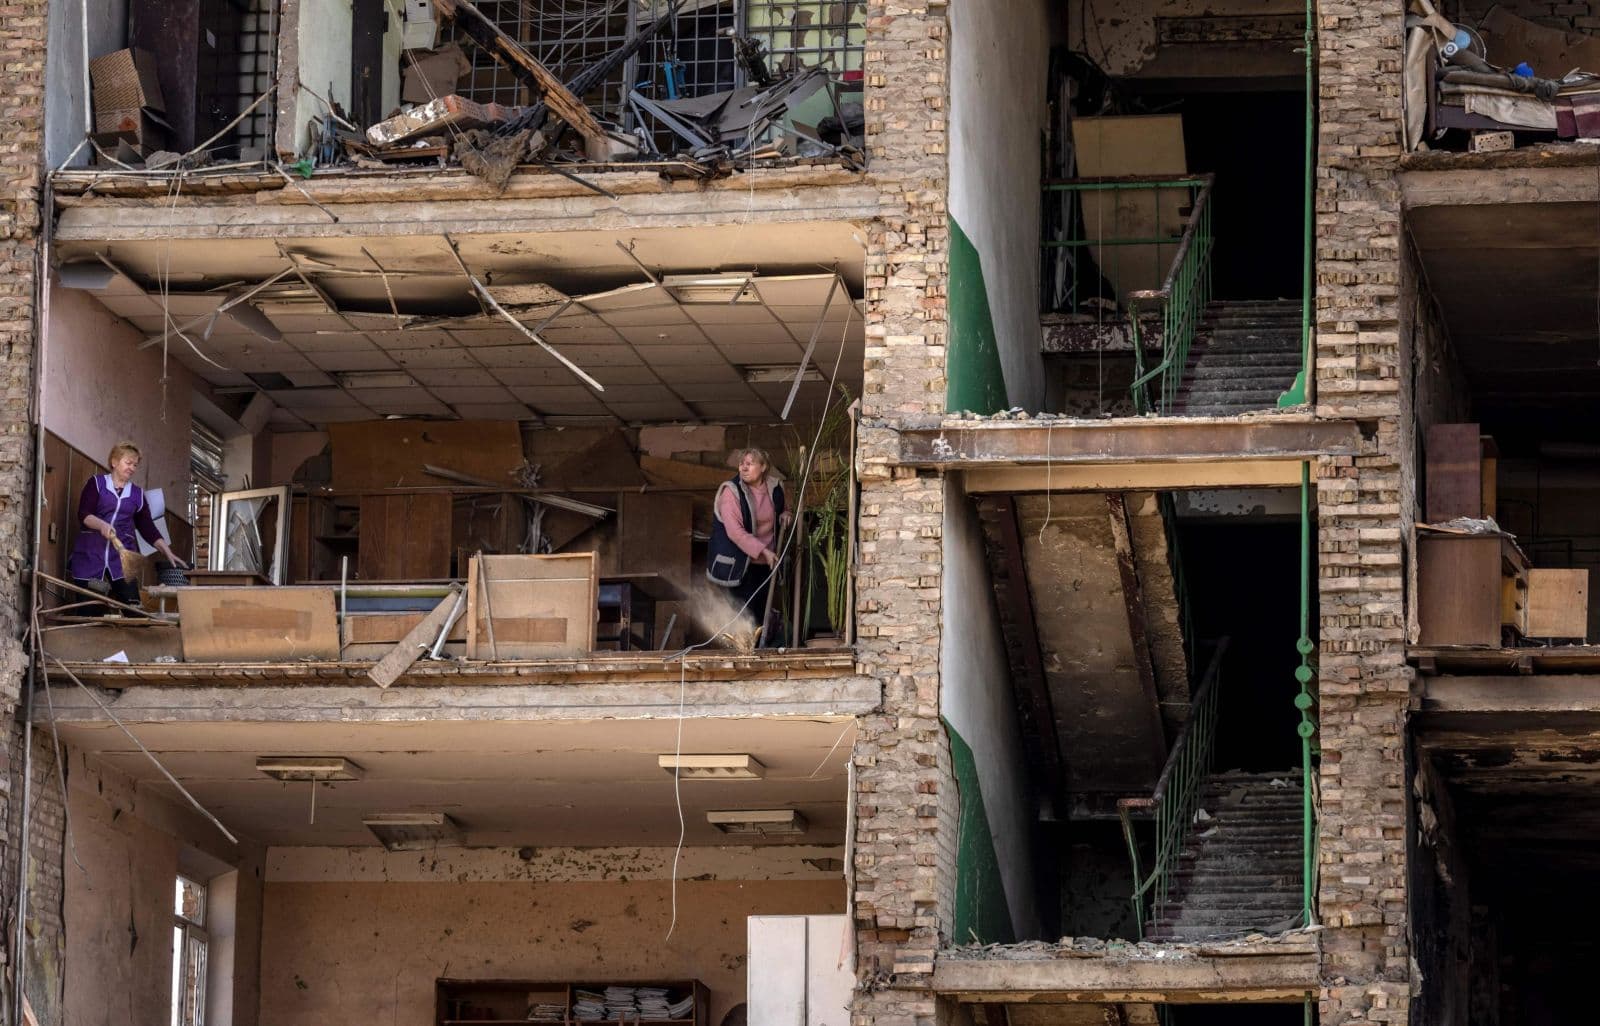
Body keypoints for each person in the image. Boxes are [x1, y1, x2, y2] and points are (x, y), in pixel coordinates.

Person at [67, 441, 186, 610]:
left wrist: (167, 551)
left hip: (122, 557)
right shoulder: (96, 484)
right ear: (114, 462)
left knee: (132, 606)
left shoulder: (137, 495)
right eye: (128, 463)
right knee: (88, 607)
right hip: (91, 554)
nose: (132, 468)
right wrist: (102, 525)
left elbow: (147, 527)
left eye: (135, 465)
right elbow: (84, 515)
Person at [707, 447, 792, 645]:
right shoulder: (731, 492)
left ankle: (758, 651)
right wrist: (763, 551)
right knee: (742, 612)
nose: (743, 468)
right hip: (739, 563)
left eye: (750, 463)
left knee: (761, 611)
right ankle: (743, 652)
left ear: (763, 467)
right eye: (741, 464)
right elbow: (734, 532)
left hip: (765, 562)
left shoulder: (774, 487)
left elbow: (783, 507)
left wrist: (785, 515)